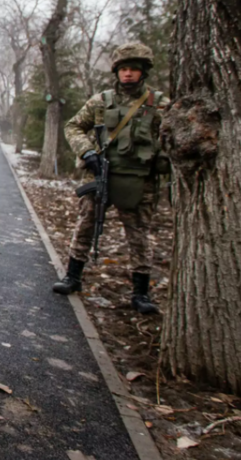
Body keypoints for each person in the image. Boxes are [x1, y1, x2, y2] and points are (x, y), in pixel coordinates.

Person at [53, 42, 169, 316]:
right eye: (124, 69)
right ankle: (73, 276)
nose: (128, 74)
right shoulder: (101, 101)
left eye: (134, 70)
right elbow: (73, 126)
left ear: (143, 72)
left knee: (139, 236)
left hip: (141, 181)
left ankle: (141, 292)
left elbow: (172, 138)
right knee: (85, 227)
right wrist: (87, 151)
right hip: (104, 174)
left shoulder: (160, 104)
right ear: (117, 71)